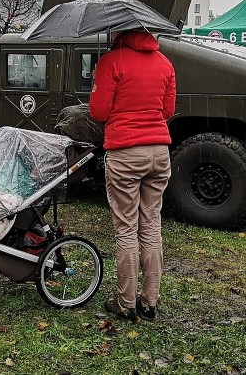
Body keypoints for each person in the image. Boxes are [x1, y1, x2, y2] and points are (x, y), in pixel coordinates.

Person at [88, 30, 176, 323]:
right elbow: (167, 110)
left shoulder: (111, 62)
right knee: (151, 225)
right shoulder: (165, 63)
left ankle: (125, 301)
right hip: (159, 152)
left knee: (127, 227)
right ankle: (149, 303)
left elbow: (98, 112)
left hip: (126, 152)